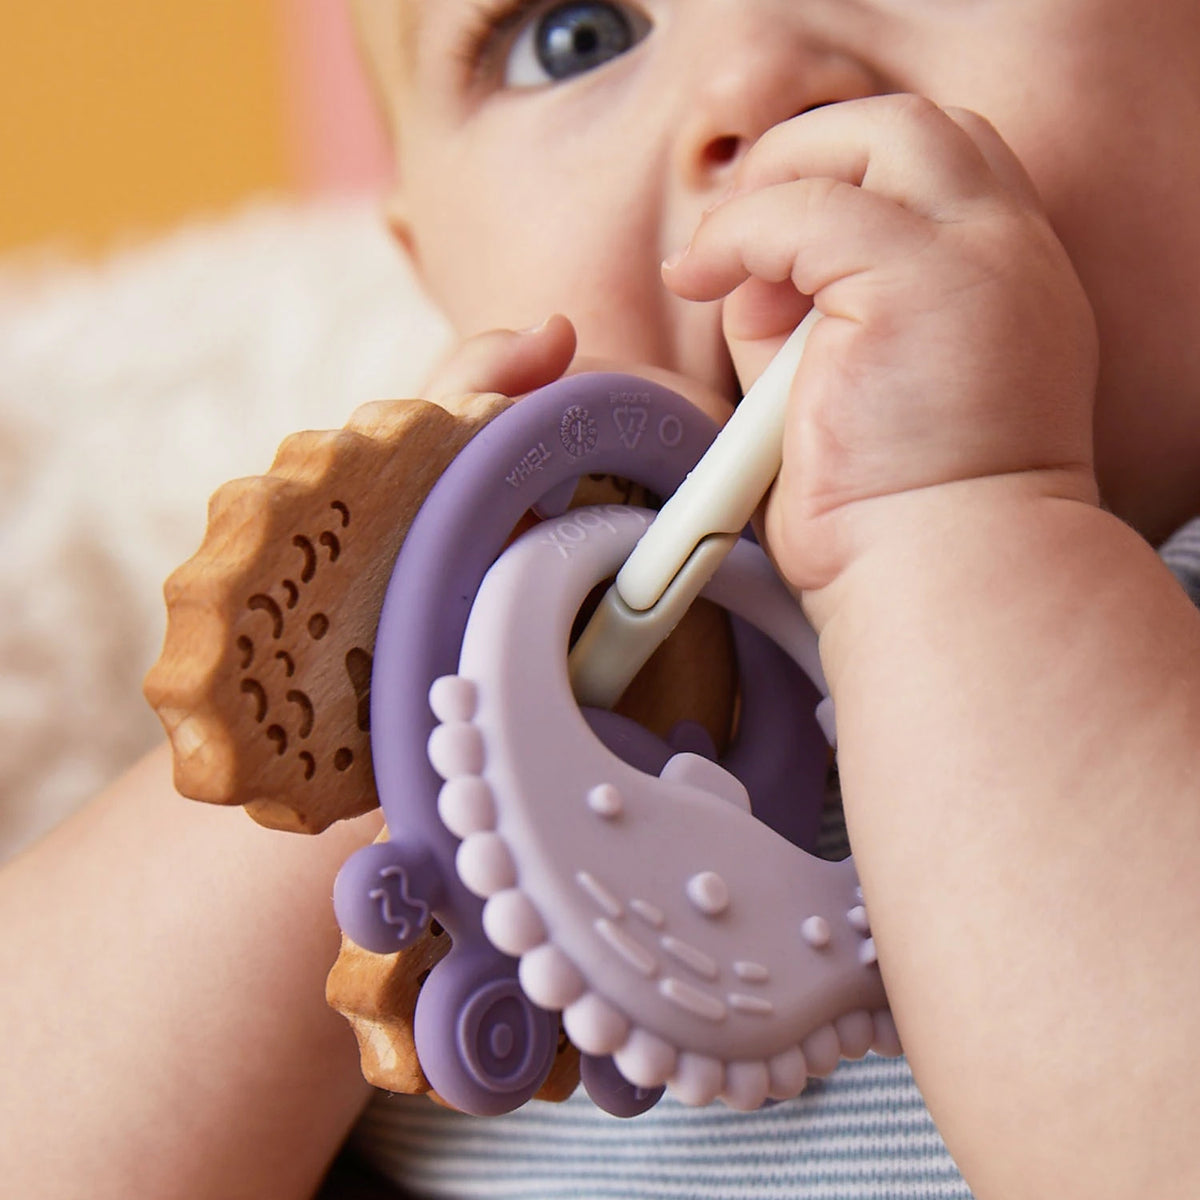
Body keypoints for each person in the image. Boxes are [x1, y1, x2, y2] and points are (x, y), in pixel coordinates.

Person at [3, 1, 1200, 1197]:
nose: (753, 83)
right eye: (572, 34)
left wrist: (967, 514)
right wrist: (381, 704)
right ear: (435, 269)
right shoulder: (449, 745)